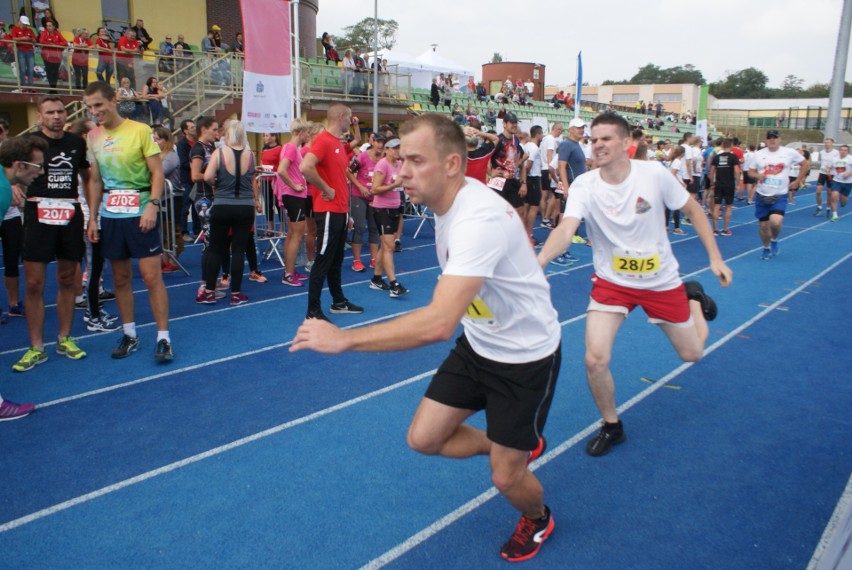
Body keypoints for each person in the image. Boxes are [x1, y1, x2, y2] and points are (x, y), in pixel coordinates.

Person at [291, 114, 561, 563]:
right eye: (400, 160)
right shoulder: (444, 205)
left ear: (453, 164)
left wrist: (346, 340)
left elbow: (438, 323)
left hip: (525, 358)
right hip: (479, 344)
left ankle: (538, 518)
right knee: (424, 439)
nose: (400, 173)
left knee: (506, 479)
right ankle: (513, 444)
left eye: (416, 161)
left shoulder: (480, 218)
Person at [538, 111, 732, 457]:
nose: (597, 145)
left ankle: (693, 299)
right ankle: (612, 426)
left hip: (660, 281)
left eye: (606, 138)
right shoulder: (585, 184)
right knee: (594, 359)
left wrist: (715, 258)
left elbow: (694, 211)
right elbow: (566, 230)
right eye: (593, 139)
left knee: (692, 354)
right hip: (613, 282)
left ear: (627, 143)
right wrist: (538, 264)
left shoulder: (654, 175)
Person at [82, 81, 174, 362]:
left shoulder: (140, 130)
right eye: (90, 107)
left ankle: (163, 338)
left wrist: (152, 206)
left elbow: (156, 172)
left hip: (140, 211)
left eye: (99, 105)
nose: (95, 111)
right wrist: (93, 218)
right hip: (110, 215)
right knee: (120, 278)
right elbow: (95, 180)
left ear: (114, 100)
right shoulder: (93, 137)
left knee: (150, 276)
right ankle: (130, 333)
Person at [12, 97, 90, 373]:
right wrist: (12, 186)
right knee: (34, 284)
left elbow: (86, 175)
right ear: (40, 117)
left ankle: (64, 337)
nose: (56, 116)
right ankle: (36, 347)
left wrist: (91, 213)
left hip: (69, 212)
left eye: (60, 111)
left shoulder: (76, 142)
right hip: (37, 212)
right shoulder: (27, 142)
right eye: (50, 112)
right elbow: (5, 168)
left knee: (68, 278)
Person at [299, 103, 363, 321]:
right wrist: (325, 189)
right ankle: (313, 311)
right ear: (342, 116)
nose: (352, 121)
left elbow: (338, 176)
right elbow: (305, 167)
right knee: (323, 260)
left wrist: (347, 213)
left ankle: (338, 301)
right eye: (351, 117)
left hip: (340, 211)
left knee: (335, 260)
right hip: (327, 211)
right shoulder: (324, 141)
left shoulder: (336, 142)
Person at [0, 136, 46, 419]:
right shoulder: (3, 191)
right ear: (19, 165)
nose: (40, 173)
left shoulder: (6, 185)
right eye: (37, 167)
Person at [196, 120, 260, 306]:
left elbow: (207, 176)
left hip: (223, 204)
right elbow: (251, 177)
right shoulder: (250, 155)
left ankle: (208, 291)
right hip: (245, 206)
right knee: (239, 250)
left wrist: (217, 184)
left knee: (215, 248)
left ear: (227, 134)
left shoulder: (219, 153)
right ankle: (236, 293)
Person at [748, 130, 805, 260]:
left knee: (775, 222)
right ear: (766, 140)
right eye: (769, 138)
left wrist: (797, 180)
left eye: (775, 138)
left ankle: (774, 239)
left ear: (780, 139)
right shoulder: (758, 154)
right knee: (763, 226)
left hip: (780, 194)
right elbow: (750, 171)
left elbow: (805, 164)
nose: (772, 140)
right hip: (762, 194)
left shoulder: (789, 153)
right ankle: (766, 247)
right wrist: (757, 175)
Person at [368, 137, 407, 297]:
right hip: (381, 209)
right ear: (387, 150)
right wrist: (394, 185)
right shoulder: (382, 164)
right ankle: (393, 283)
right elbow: (374, 189)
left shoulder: (399, 164)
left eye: (400, 148)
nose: (398, 151)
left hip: (394, 208)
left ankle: (376, 279)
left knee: (385, 246)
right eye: (395, 148)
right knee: (389, 246)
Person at [277, 119, 311, 286]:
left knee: (292, 235)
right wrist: (294, 186)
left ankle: (290, 270)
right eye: (306, 132)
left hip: (293, 196)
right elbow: (281, 170)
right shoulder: (291, 148)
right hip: (294, 196)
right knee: (296, 235)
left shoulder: (290, 148)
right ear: (300, 132)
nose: (308, 135)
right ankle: (288, 274)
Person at [347, 133, 384, 275]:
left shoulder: (385, 158)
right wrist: (361, 187)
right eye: (378, 142)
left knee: (374, 228)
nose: (380, 145)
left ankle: (374, 258)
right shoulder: (362, 156)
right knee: (360, 227)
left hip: (375, 197)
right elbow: (349, 172)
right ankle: (356, 260)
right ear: (372, 142)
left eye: (382, 142)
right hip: (359, 195)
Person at [708, 138, 741, 236]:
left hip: (719, 184)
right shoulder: (733, 157)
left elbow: (711, 172)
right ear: (731, 146)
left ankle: (715, 229)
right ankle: (725, 229)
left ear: (722, 146)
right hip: (729, 184)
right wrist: (737, 183)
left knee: (717, 206)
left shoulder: (717, 157)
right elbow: (736, 172)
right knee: (728, 206)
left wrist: (711, 183)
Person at [38, 19, 65, 92]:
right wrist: (50, 44)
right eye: (47, 26)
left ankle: (54, 87)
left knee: (55, 72)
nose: (48, 27)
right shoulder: (44, 33)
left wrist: (55, 44)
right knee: (50, 72)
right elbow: (41, 41)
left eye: (50, 26)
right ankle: (52, 88)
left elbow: (64, 43)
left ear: (54, 27)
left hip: (57, 57)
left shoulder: (57, 33)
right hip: (47, 57)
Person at [11, 15, 36, 90]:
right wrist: (23, 38)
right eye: (24, 24)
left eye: (26, 24)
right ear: (20, 22)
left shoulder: (30, 30)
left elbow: (34, 40)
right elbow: (14, 39)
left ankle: (30, 86)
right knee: (22, 69)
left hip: (30, 51)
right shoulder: (15, 29)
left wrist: (31, 39)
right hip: (20, 50)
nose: (25, 25)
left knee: (31, 69)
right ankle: (23, 86)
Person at [816, 138, 840, 218]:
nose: (826, 144)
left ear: (832, 144)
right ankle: (819, 207)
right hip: (822, 173)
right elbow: (821, 162)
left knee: (829, 193)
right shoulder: (821, 152)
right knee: (818, 191)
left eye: (828, 143)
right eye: (825, 143)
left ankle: (828, 208)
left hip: (831, 174)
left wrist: (830, 168)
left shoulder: (836, 153)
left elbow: (837, 163)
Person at [828, 144, 851, 222]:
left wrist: (849, 173)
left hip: (848, 182)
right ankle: (834, 215)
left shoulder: (850, 159)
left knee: (843, 200)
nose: (843, 152)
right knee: (834, 196)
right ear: (839, 151)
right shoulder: (834, 159)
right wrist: (828, 169)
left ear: (848, 151)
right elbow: (829, 166)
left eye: (845, 150)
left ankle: (844, 201)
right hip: (836, 181)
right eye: (842, 150)